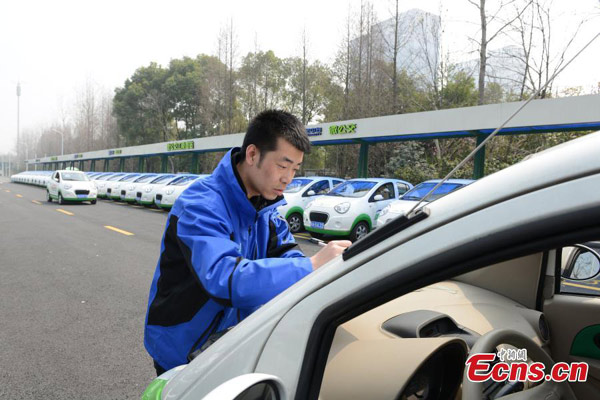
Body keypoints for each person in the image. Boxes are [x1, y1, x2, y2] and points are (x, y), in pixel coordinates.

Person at [144, 109, 351, 375]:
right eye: (282, 165)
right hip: (182, 348)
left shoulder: (265, 209)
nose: (288, 178)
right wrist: (311, 266)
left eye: (295, 169)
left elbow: (287, 253)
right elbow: (224, 277)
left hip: (227, 344)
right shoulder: (201, 205)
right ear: (252, 154)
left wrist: (321, 269)